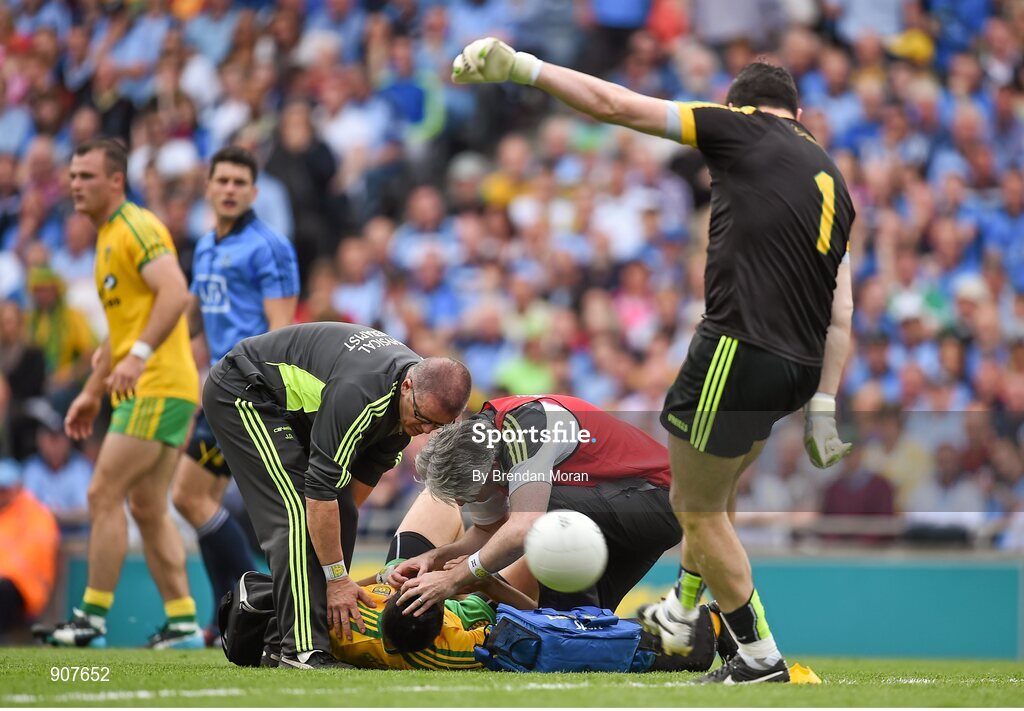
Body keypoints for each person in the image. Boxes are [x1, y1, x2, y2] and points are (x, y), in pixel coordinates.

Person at [449, 40, 855, 683]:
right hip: (799, 369)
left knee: (694, 506)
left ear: (739, 105)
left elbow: (617, 104)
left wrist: (522, 68)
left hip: (738, 347)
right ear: (798, 111)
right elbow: (841, 310)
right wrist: (825, 405)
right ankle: (685, 606)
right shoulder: (831, 177)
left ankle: (755, 654)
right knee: (710, 502)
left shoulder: (741, 129)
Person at [202, 322, 471, 669]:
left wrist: (333, 577)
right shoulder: (362, 395)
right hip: (245, 392)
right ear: (407, 387)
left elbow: (344, 502)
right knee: (295, 516)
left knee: (335, 511)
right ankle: (302, 651)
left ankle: (277, 637)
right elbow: (317, 495)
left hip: (296, 409)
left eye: (438, 427)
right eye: (423, 419)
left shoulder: (409, 410)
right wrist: (336, 579)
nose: (425, 432)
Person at [38, 138, 203, 649]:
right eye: (72, 175)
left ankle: (90, 620)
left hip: (157, 385)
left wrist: (138, 357)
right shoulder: (109, 235)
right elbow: (121, 331)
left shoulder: (136, 227)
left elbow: (176, 292)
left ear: (116, 180)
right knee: (147, 506)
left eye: (86, 175)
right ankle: (182, 624)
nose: (74, 184)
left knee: (101, 492)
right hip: (160, 385)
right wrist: (91, 391)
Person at [170, 145, 299, 644]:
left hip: (249, 391)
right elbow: (198, 313)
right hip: (216, 388)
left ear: (254, 192)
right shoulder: (205, 245)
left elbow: (281, 329)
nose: (228, 189)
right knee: (190, 496)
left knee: (196, 496)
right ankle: (231, 610)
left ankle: (250, 603)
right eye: (221, 180)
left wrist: (266, 393)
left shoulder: (269, 247)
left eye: (238, 183)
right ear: (208, 185)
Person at [391, 394, 681, 614]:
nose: (467, 502)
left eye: (468, 494)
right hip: (628, 506)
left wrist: (454, 578)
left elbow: (522, 528)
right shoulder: (480, 450)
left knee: (545, 515)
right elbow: (487, 532)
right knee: (582, 626)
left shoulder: (525, 430)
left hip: (660, 500)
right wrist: (434, 557)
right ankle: (697, 637)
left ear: (490, 468)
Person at [0, 459, 59, 639]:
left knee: (4, 589)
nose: (1, 494)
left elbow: (33, 556)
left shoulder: (35, 513)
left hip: (25, 589)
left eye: (5, 489)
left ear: (18, 487)